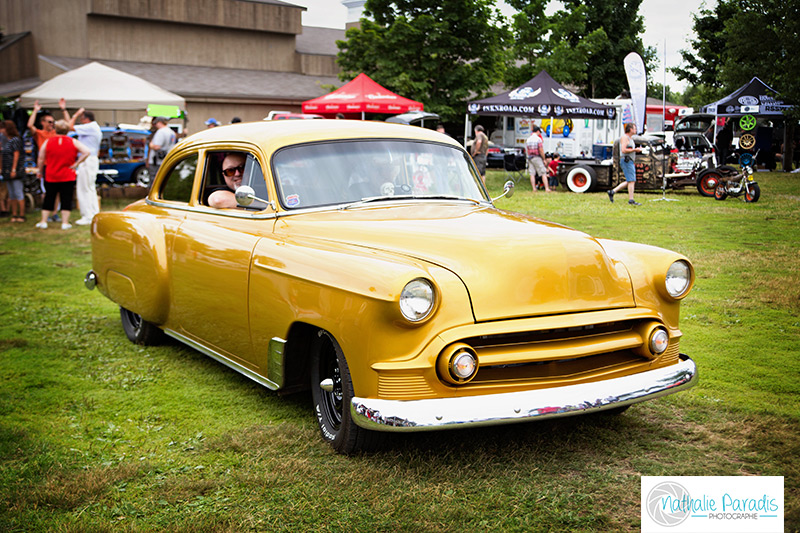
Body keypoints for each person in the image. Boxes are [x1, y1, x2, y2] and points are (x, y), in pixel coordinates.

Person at [35, 120, 91, 229]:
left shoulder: (48, 141)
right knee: (66, 198)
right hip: (67, 174)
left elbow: (41, 158)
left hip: (51, 174)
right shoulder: (73, 141)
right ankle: (65, 223)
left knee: (49, 197)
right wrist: (76, 163)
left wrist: (39, 170)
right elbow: (86, 152)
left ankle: (43, 221)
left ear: (55, 129)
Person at [60, 98, 102, 225]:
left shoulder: (90, 126)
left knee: (83, 188)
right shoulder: (91, 127)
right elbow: (68, 125)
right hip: (90, 160)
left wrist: (75, 114)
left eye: (81, 118)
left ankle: (87, 216)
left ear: (86, 118)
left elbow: (68, 126)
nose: (80, 120)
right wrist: (64, 110)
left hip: (87, 160)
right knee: (89, 188)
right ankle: (93, 213)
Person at [608, 123, 643, 206]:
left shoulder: (630, 138)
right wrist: (635, 150)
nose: (636, 130)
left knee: (630, 180)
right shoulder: (625, 138)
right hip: (626, 161)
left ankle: (612, 192)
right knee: (631, 180)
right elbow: (623, 150)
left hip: (630, 160)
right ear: (630, 129)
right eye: (634, 128)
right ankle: (631, 200)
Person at [1, 120, 27, 222]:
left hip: (15, 170)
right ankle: (14, 214)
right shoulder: (5, 141)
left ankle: (21, 214)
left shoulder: (15, 140)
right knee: (11, 194)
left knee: (18, 192)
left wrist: (14, 169)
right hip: (6, 170)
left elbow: (16, 155)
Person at [526, 124, 550, 192]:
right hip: (537, 157)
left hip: (530, 157)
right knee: (543, 172)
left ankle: (534, 188)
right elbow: (541, 150)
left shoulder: (528, 139)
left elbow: (527, 149)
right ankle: (547, 188)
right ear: (538, 131)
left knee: (532, 174)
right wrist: (544, 159)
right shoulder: (538, 139)